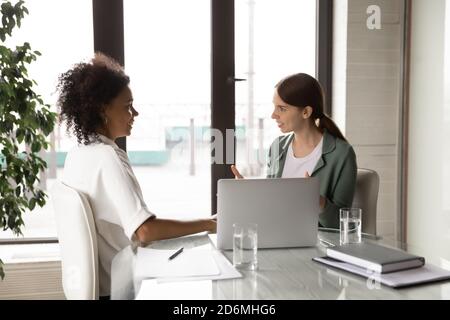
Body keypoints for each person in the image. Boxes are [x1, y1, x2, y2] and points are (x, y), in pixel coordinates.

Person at [57, 53, 216, 298]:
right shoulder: (107, 157)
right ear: (103, 110)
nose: (135, 114)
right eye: (127, 106)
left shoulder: (77, 155)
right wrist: (210, 224)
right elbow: (145, 231)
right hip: (124, 287)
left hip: (104, 286)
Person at [231, 73, 357, 229]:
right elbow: (271, 206)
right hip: (276, 234)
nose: (273, 115)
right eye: (274, 106)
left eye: (282, 109)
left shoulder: (342, 154)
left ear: (306, 112)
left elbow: (341, 225)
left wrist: (317, 200)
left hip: (316, 245)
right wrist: (251, 194)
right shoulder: (277, 147)